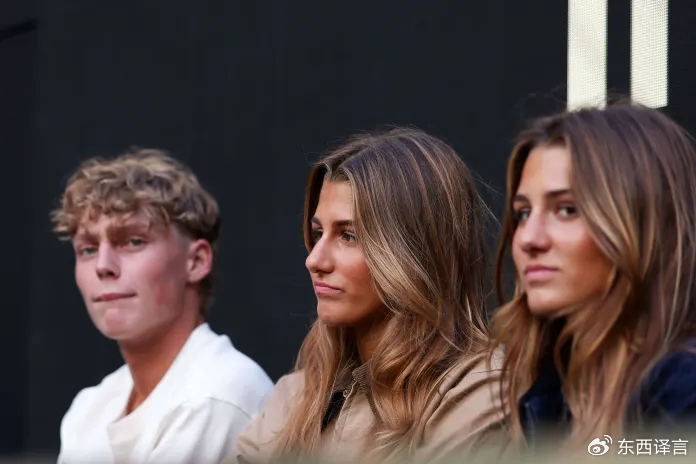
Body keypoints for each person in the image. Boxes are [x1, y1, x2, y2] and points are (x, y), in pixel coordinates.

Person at [224, 127, 505, 464]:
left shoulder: (477, 391)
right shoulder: (298, 393)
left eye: (349, 236)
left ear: (415, 252)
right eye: (318, 233)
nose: (314, 260)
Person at [491, 102, 696, 454]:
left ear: (642, 225)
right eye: (522, 214)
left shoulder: (685, 390)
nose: (528, 239)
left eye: (567, 209)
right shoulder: (548, 394)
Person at [52, 148, 273, 464]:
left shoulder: (217, 395)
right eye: (87, 249)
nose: (103, 266)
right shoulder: (90, 408)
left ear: (196, 261)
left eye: (133, 241)